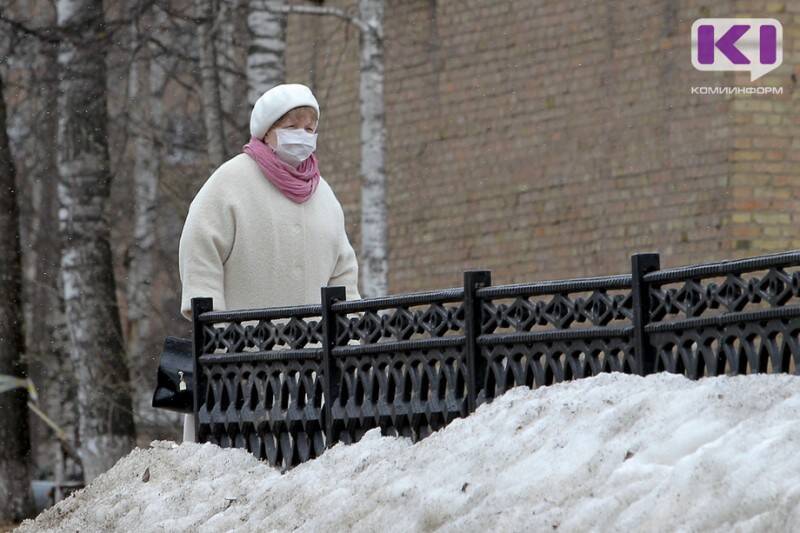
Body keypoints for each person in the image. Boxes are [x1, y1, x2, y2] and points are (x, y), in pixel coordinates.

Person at [177, 83, 361, 442]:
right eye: (293, 126)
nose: (304, 137)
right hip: (237, 366)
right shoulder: (229, 182)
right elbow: (199, 249)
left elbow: (344, 273)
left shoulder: (324, 197)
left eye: (311, 129)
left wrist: (348, 338)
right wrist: (215, 329)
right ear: (268, 130)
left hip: (311, 372)